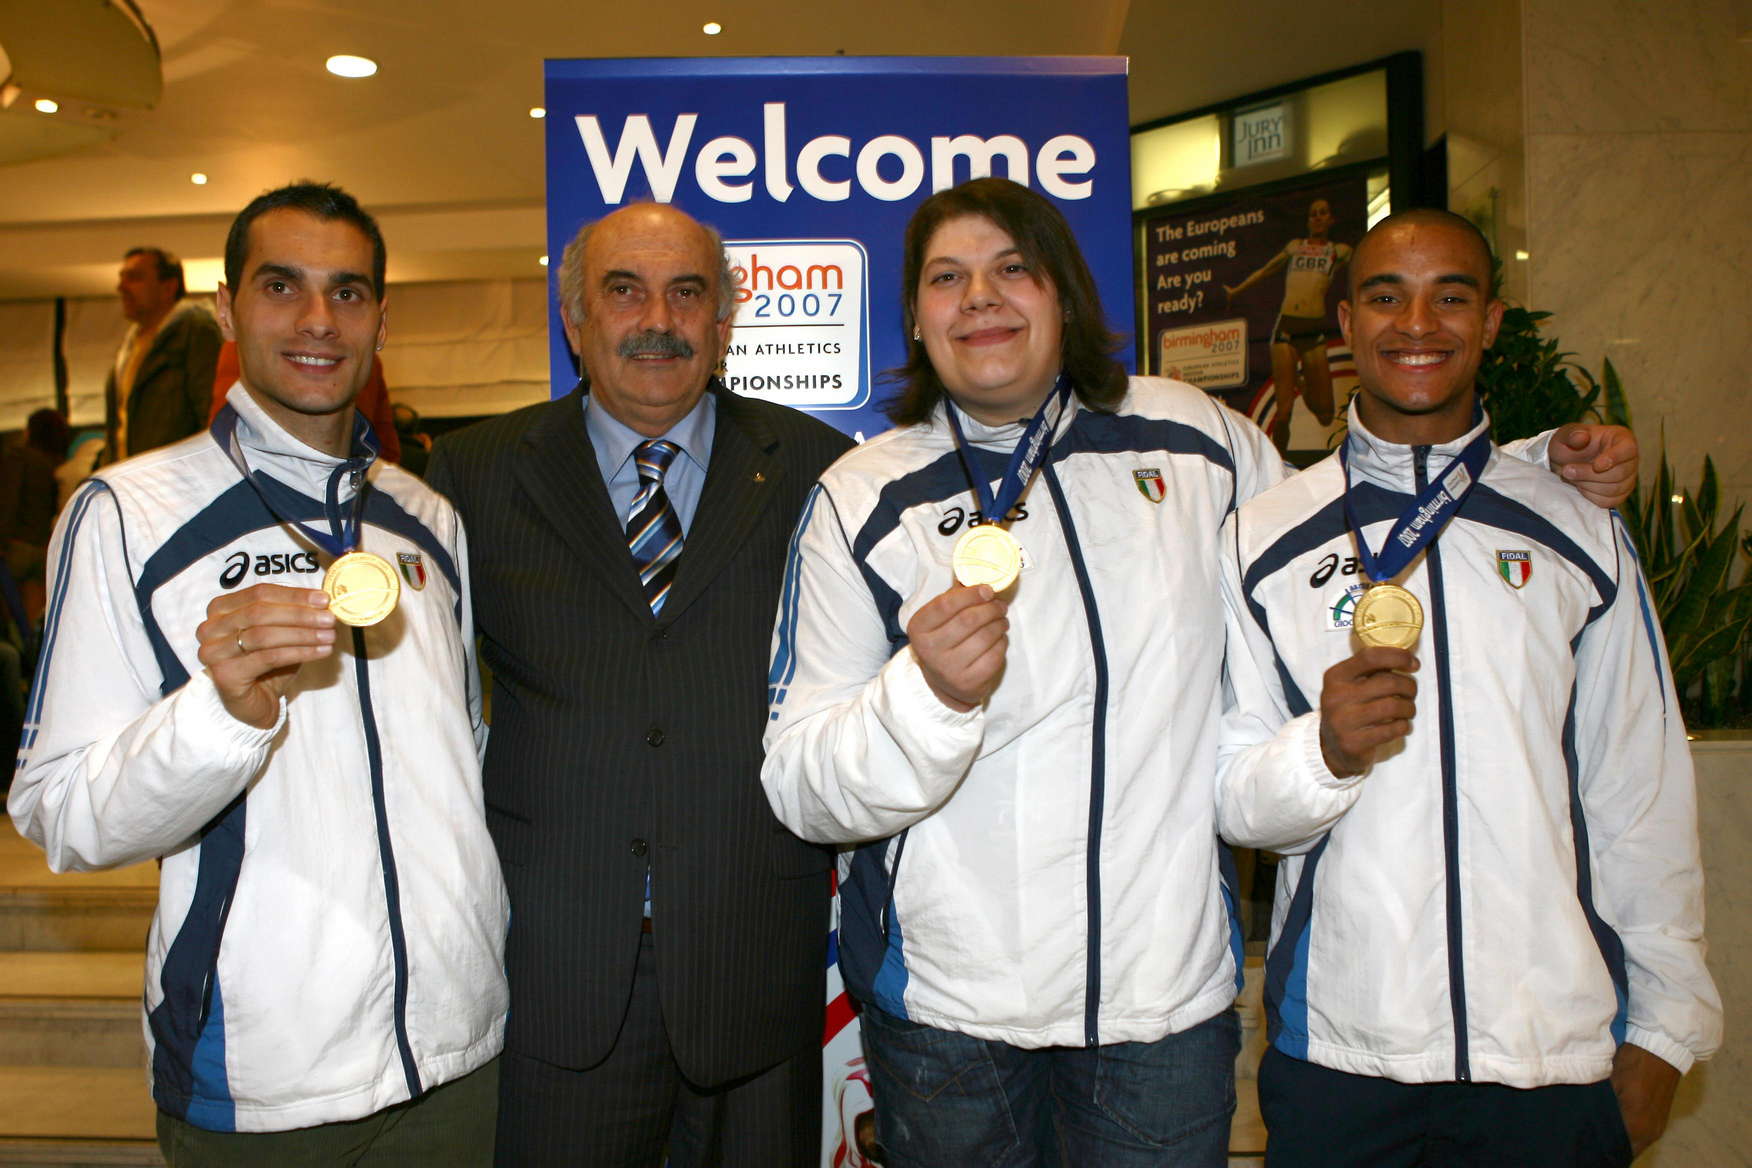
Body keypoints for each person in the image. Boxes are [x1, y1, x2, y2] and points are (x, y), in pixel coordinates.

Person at [760, 178, 1644, 1167]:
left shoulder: (1199, 440)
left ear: (1065, 295)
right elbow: (799, 784)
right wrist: (925, 700)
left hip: (1165, 1015)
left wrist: (1537, 467)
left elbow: (1345, 516)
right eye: (946, 278)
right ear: (917, 321)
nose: (980, 298)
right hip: (947, 1017)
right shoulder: (860, 497)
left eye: (1013, 267)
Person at [10, 182, 508, 1164]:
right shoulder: (129, 514)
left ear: (380, 320)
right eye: (282, 286)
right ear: (228, 309)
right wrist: (221, 717)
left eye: (348, 292)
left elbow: (467, 764)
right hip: (262, 1085)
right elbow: (60, 812)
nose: (319, 319)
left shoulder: (430, 522)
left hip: (465, 1060)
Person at [1215, 208, 1721, 1167]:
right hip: (1342, 1056)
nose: (1418, 324)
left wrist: (1666, 1029)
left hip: (1551, 1053)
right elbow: (1236, 800)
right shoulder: (1263, 537)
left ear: (1489, 322)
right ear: (1347, 325)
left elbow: (1640, 791)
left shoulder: (1577, 524)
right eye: (1386, 297)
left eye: (1450, 297)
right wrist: (1322, 753)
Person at [426, 201, 853, 1166]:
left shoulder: (820, 472)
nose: (658, 319)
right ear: (574, 321)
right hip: (557, 965)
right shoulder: (473, 474)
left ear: (723, 322)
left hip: (754, 957)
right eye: (624, 291)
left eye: (686, 293)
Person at [1224, 198, 1351, 454]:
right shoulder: (1295, 247)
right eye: (1313, 214)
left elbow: (1363, 272)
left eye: (1323, 213)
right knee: (1283, 412)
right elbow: (1265, 271)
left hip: (1313, 329)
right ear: (1308, 221)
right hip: (1287, 326)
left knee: (1325, 415)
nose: (1317, 217)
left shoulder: (1340, 251)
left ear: (1331, 220)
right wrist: (1236, 290)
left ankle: (1299, 382)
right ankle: (1277, 465)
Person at [104, 246, 223, 460]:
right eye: (122, 278)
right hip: (135, 473)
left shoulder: (196, 332)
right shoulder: (129, 346)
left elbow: (212, 412)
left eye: (134, 278)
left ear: (168, 287)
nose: (121, 287)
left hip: (176, 474)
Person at [209, 341, 402, 463]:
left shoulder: (243, 350)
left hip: (255, 488)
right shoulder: (364, 359)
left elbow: (222, 443)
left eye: (344, 295)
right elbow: (386, 451)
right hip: (352, 493)